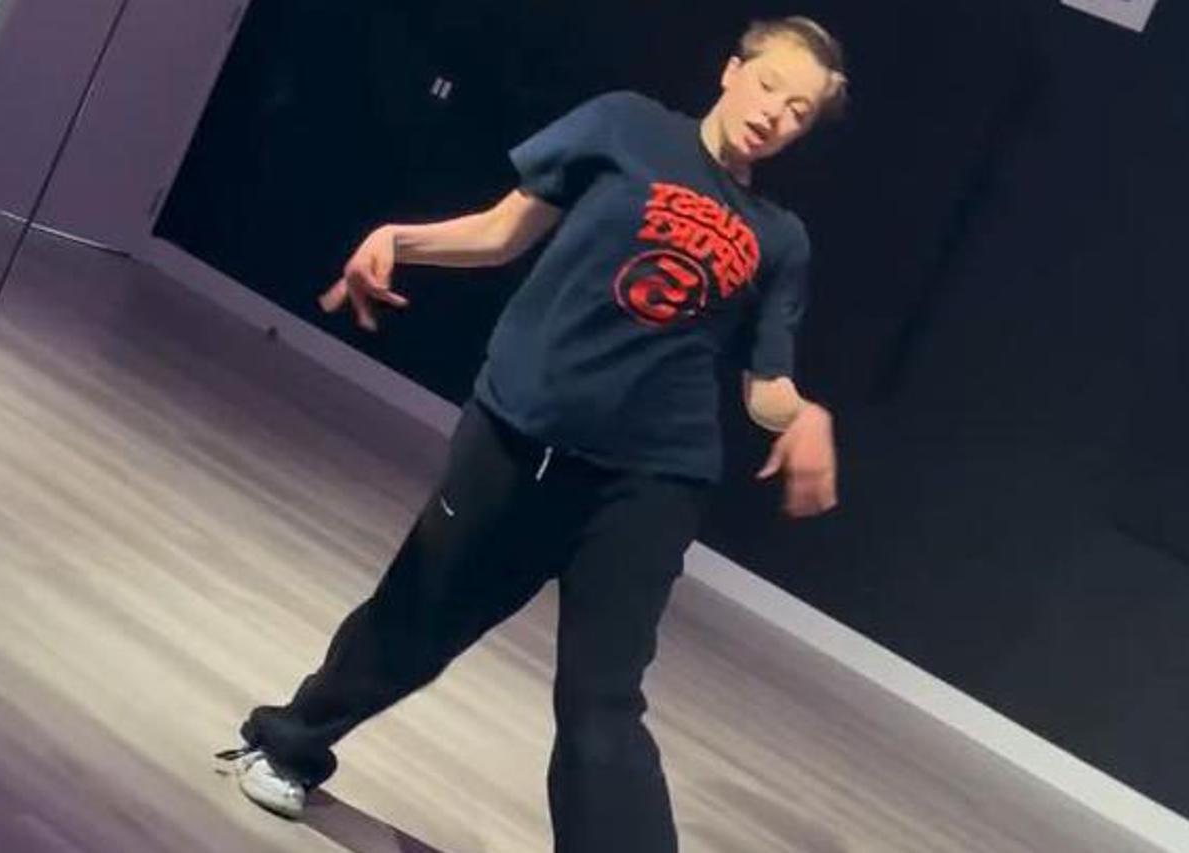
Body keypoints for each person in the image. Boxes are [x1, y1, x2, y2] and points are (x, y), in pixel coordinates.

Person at [216, 15, 847, 853]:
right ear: (732, 71)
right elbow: (500, 232)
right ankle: (286, 744)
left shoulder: (780, 238)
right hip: (520, 433)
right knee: (419, 617)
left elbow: (765, 387)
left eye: (799, 110)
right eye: (768, 85)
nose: (775, 113)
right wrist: (398, 239)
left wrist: (803, 416)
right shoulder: (625, 124)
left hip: (653, 479)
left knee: (603, 698)